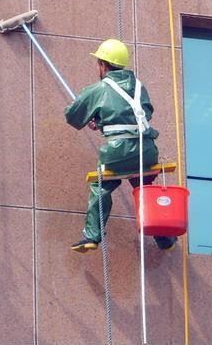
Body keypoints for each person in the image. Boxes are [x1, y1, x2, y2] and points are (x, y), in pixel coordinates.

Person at [64, 38, 176, 253]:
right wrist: (105, 122)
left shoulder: (99, 89)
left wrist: (95, 118)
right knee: (144, 186)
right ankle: (164, 238)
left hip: (117, 152)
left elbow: (72, 116)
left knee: (101, 186)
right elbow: (144, 113)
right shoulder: (139, 87)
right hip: (146, 149)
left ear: (103, 65)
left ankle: (92, 236)